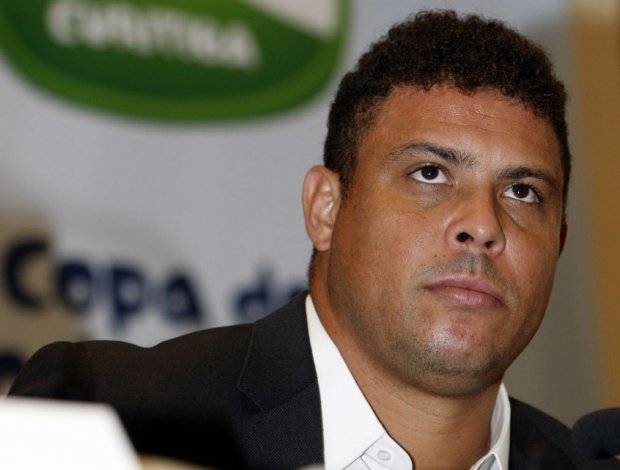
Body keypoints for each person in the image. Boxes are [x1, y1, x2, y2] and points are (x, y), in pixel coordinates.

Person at [8, 9, 607, 470]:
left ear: (557, 243)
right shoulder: (111, 413)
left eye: (523, 191)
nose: (483, 225)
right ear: (326, 209)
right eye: (430, 173)